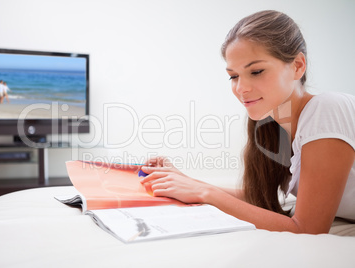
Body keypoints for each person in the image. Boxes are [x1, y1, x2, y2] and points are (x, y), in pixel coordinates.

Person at [140, 10, 355, 234]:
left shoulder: (327, 109)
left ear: (298, 66)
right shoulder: (271, 126)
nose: (241, 88)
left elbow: (308, 229)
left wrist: (204, 193)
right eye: (233, 76)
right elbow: (259, 196)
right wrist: (187, 182)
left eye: (256, 71)